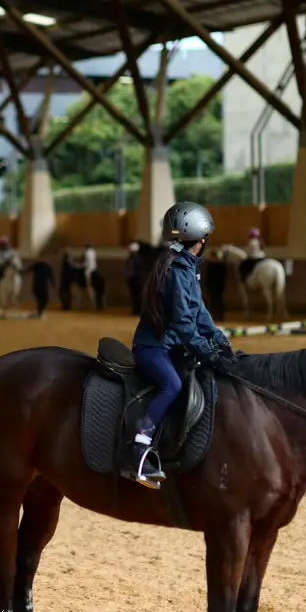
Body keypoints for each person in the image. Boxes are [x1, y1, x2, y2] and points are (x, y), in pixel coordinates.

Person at [126, 202, 236, 489]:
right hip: (153, 349)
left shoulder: (186, 267)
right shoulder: (175, 270)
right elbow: (185, 324)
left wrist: (218, 340)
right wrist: (206, 350)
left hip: (172, 346)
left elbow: (199, 312)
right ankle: (139, 449)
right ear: (202, 240)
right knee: (172, 386)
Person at [125, 240, 145, 317]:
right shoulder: (140, 258)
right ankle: (138, 310)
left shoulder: (131, 259)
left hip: (134, 280)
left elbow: (130, 270)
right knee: (138, 296)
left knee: (134, 296)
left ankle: (135, 310)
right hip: (140, 279)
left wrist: (127, 278)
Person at [81, 242, 98, 308]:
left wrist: (79, 265)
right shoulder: (93, 251)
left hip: (88, 270)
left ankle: (92, 303)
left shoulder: (87, 252)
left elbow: (86, 263)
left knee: (89, 286)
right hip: (94, 269)